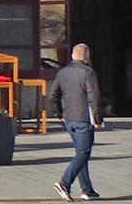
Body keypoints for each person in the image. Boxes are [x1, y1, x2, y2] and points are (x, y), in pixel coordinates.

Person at [50, 43, 104, 202]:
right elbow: (94, 97)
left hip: (69, 119)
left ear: (73, 56)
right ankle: (64, 183)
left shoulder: (63, 72)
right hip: (83, 119)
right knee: (83, 153)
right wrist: (98, 118)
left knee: (80, 153)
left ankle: (87, 190)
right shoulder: (88, 72)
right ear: (86, 57)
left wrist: (59, 113)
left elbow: (53, 95)